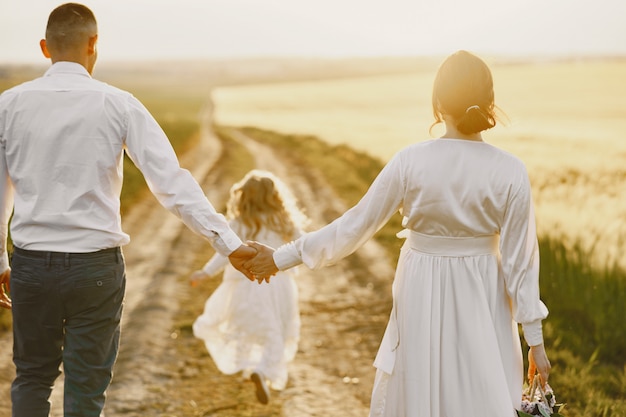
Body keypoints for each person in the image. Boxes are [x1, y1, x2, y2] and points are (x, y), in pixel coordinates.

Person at [245, 50, 551, 417]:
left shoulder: (410, 160)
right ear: (489, 101)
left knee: (417, 387)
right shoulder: (511, 171)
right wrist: (535, 341)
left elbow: (354, 225)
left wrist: (281, 257)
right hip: (483, 289)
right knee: (481, 389)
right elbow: (521, 265)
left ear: (438, 102)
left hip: (420, 284)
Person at [0, 3, 256, 416]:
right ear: (94, 44)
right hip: (95, 270)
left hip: (32, 267)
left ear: (45, 48)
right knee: (85, 386)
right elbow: (171, 183)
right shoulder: (119, 103)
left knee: (31, 376)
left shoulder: (7, 106)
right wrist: (227, 243)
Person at [190, 170, 307, 405]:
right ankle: (262, 370)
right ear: (276, 197)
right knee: (277, 331)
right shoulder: (285, 221)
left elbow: (225, 252)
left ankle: (248, 367)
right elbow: (304, 246)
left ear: (243, 197)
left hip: (247, 283)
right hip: (280, 283)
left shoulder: (238, 223)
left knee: (246, 328)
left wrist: (206, 272)